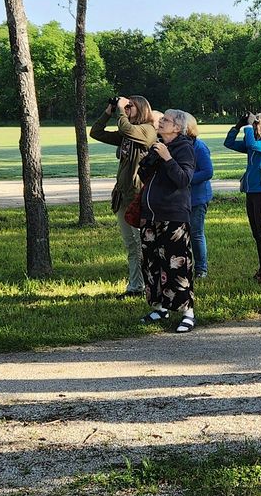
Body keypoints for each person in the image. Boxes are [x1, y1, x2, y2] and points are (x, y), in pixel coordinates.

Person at [89, 95, 156, 297]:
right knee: (131, 245)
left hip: (137, 197)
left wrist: (120, 109)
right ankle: (136, 286)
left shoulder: (147, 130)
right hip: (122, 196)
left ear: (142, 109)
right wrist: (109, 110)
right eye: (125, 107)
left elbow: (127, 129)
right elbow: (96, 132)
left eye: (130, 107)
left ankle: (145, 286)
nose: (126, 109)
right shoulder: (127, 135)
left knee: (140, 245)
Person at [138, 109, 197, 333]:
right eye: (161, 120)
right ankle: (159, 306)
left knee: (176, 264)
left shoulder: (184, 148)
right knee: (152, 264)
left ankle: (187, 312)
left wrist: (167, 158)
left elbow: (183, 179)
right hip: (151, 216)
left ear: (177, 127)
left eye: (166, 120)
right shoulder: (159, 144)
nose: (160, 122)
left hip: (173, 216)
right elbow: (144, 176)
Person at [225, 112, 261, 283]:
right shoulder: (252, 142)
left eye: (256, 123)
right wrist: (238, 126)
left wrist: (248, 127)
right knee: (256, 232)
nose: (253, 125)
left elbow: (252, 144)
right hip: (251, 191)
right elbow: (229, 143)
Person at [184, 114, 214, 279]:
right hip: (182, 198)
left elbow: (208, 171)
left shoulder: (199, 147)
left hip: (197, 198)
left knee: (196, 233)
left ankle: (201, 269)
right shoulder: (180, 146)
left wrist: (186, 179)